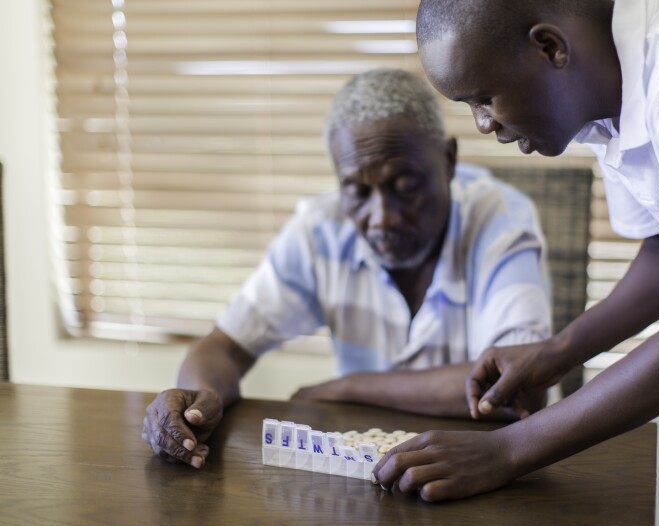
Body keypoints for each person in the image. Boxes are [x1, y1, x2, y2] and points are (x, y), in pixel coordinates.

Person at [371, 0, 659, 524]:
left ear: (550, 47)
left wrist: (507, 451)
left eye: (483, 98)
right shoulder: (604, 88)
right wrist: (558, 352)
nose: (484, 124)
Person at [141, 68, 552, 470]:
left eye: (405, 185)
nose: (382, 218)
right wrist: (197, 399)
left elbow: (519, 388)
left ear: (448, 160)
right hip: (361, 474)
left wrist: (347, 387)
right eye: (357, 191)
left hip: (478, 472)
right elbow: (224, 347)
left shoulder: (500, 220)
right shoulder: (320, 227)